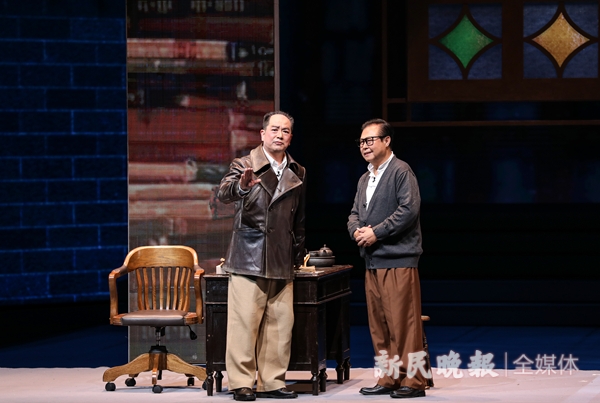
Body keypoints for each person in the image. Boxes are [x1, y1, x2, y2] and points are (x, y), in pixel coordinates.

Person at [217, 111, 306, 401]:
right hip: (249, 255)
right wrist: (242, 186)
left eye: (286, 131)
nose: (280, 135)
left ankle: (272, 382)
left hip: (281, 257)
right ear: (263, 134)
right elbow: (224, 193)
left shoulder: (298, 171)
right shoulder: (244, 164)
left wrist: (298, 256)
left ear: (290, 137)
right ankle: (242, 382)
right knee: (244, 324)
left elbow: (299, 220)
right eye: (275, 129)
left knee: (280, 325)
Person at [347, 119, 430, 399]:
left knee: (404, 324)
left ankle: (414, 380)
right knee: (379, 325)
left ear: (386, 141)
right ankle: (389, 377)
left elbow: (408, 210)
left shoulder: (400, 171)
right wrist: (356, 231)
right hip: (372, 260)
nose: (365, 146)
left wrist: (376, 233)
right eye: (361, 142)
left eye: (370, 140)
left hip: (398, 259)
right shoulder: (365, 178)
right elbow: (354, 213)